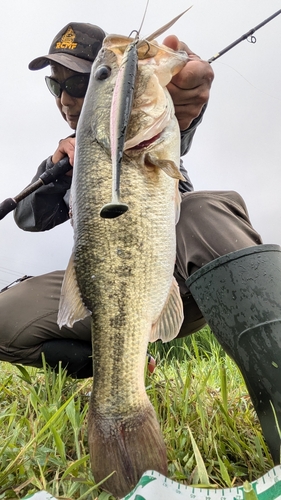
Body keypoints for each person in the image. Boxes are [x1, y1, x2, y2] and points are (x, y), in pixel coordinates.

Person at [3, 22, 281, 463]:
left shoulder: (154, 120)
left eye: (78, 82)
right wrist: (55, 169)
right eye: (54, 85)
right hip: (107, 291)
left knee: (206, 209)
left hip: (179, 280)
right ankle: (123, 368)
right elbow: (27, 220)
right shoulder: (70, 159)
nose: (66, 99)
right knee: (4, 316)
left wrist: (184, 97)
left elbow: (178, 116)